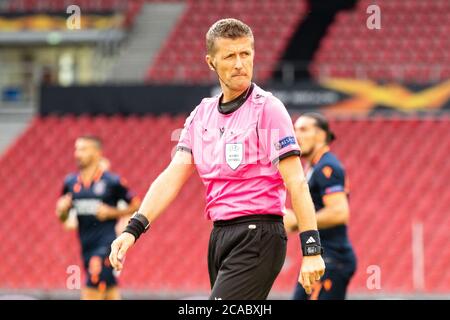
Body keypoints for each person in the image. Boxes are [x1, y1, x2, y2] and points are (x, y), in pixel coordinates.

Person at [109, 18, 325, 300]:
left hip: (259, 233)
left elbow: (297, 182)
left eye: (245, 54)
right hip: (220, 236)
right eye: (230, 56)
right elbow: (172, 176)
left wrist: (312, 250)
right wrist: (132, 229)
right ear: (211, 62)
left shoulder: (268, 109)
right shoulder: (202, 114)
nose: (239, 64)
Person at [56, 135, 140, 300]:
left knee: (93, 283)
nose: (77, 153)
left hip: (106, 244)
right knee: (109, 291)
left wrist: (112, 212)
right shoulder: (70, 182)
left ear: (96, 153)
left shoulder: (112, 181)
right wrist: (63, 210)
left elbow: (137, 205)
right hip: (86, 245)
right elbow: (64, 220)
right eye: (76, 149)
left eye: (83, 149)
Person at [284, 113, 357, 300]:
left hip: (333, 259)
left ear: (321, 135)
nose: (295, 135)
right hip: (325, 258)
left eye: (303, 129)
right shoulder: (312, 167)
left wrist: (298, 222)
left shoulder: (327, 167)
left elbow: (339, 212)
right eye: (294, 130)